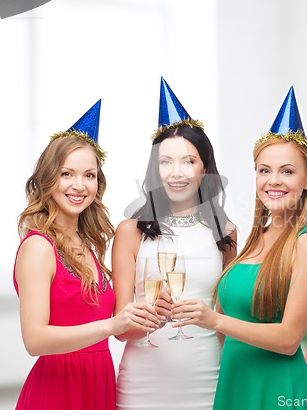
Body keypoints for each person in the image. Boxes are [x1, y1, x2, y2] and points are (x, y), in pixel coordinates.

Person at [172, 87, 307, 409]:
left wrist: (214, 321)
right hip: (235, 383)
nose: (274, 180)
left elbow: (287, 340)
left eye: (287, 171)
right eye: (264, 170)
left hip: (278, 390)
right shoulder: (255, 238)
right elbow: (229, 321)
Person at [14, 100, 160, 410]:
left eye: (89, 175)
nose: (79, 186)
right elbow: (34, 340)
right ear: (48, 179)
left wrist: (149, 315)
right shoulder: (39, 247)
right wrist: (111, 326)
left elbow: (112, 323)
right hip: (57, 392)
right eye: (67, 174)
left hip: (98, 384)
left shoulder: (88, 244)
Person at [113, 77, 237, 409]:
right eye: (165, 162)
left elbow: (224, 318)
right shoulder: (130, 231)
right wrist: (150, 317)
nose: (175, 172)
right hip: (143, 386)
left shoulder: (225, 231)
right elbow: (121, 329)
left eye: (188, 161)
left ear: (204, 168)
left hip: (208, 380)